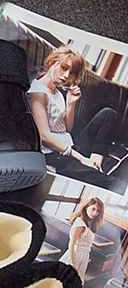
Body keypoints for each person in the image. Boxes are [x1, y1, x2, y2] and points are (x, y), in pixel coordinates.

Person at [28, 46, 118, 189]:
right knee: (111, 183)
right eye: (64, 68)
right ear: (52, 63)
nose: (66, 76)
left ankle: (96, 162)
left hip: (69, 146)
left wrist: (71, 103)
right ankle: (94, 170)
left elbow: (67, 129)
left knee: (108, 114)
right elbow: (44, 136)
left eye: (72, 73)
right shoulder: (38, 93)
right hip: (55, 155)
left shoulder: (57, 92)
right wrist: (81, 158)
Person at [60, 197, 105, 282]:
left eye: (98, 211)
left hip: (83, 257)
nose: (95, 213)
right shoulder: (80, 223)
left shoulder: (89, 223)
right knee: (66, 281)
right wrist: (73, 264)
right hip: (75, 256)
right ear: (86, 207)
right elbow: (71, 245)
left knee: (75, 283)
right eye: (93, 209)